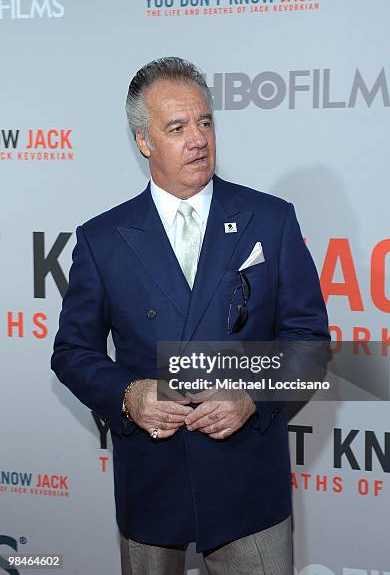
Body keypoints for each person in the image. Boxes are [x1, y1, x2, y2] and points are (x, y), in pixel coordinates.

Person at [51, 57, 330, 574]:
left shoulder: (270, 218)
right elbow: (72, 352)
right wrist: (128, 395)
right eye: (177, 128)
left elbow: (309, 339)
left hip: (248, 483)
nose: (198, 139)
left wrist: (251, 394)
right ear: (144, 141)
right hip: (151, 481)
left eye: (205, 122)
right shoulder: (101, 239)